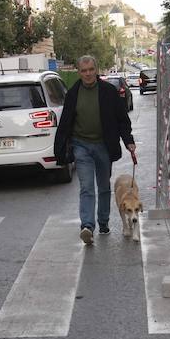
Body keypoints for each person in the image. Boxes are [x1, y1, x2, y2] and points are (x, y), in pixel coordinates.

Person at [53, 55, 137, 245]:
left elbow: (122, 118)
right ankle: (87, 226)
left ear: (96, 69)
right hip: (81, 145)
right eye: (84, 71)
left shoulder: (108, 91)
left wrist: (128, 140)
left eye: (91, 69)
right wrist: (60, 148)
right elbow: (65, 122)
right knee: (86, 187)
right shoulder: (73, 93)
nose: (88, 74)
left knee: (104, 187)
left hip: (103, 146)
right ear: (79, 72)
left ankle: (103, 222)